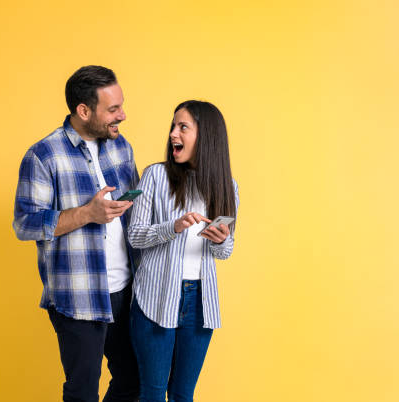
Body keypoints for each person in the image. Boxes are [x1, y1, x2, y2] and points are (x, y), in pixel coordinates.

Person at [13, 65, 140, 402]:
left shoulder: (121, 147)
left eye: (121, 105)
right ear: (84, 111)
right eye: (113, 109)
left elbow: (137, 207)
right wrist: (88, 213)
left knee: (134, 381)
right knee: (82, 393)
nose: (122, 115)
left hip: (125, 290)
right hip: (77, 295)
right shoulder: (43, 156)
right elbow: (24, 224)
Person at [128, 100, 239, 402]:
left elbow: (225, 252)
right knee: (152, 394)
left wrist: (219, 239)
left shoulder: (227, 187)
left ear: (206, 137)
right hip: (155, 296)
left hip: (200, 301)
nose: (173, 134)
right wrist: (172, 227)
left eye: (183, 127)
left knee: (182, 395)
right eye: (173, 126)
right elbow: (135, 236)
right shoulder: (155, 176)